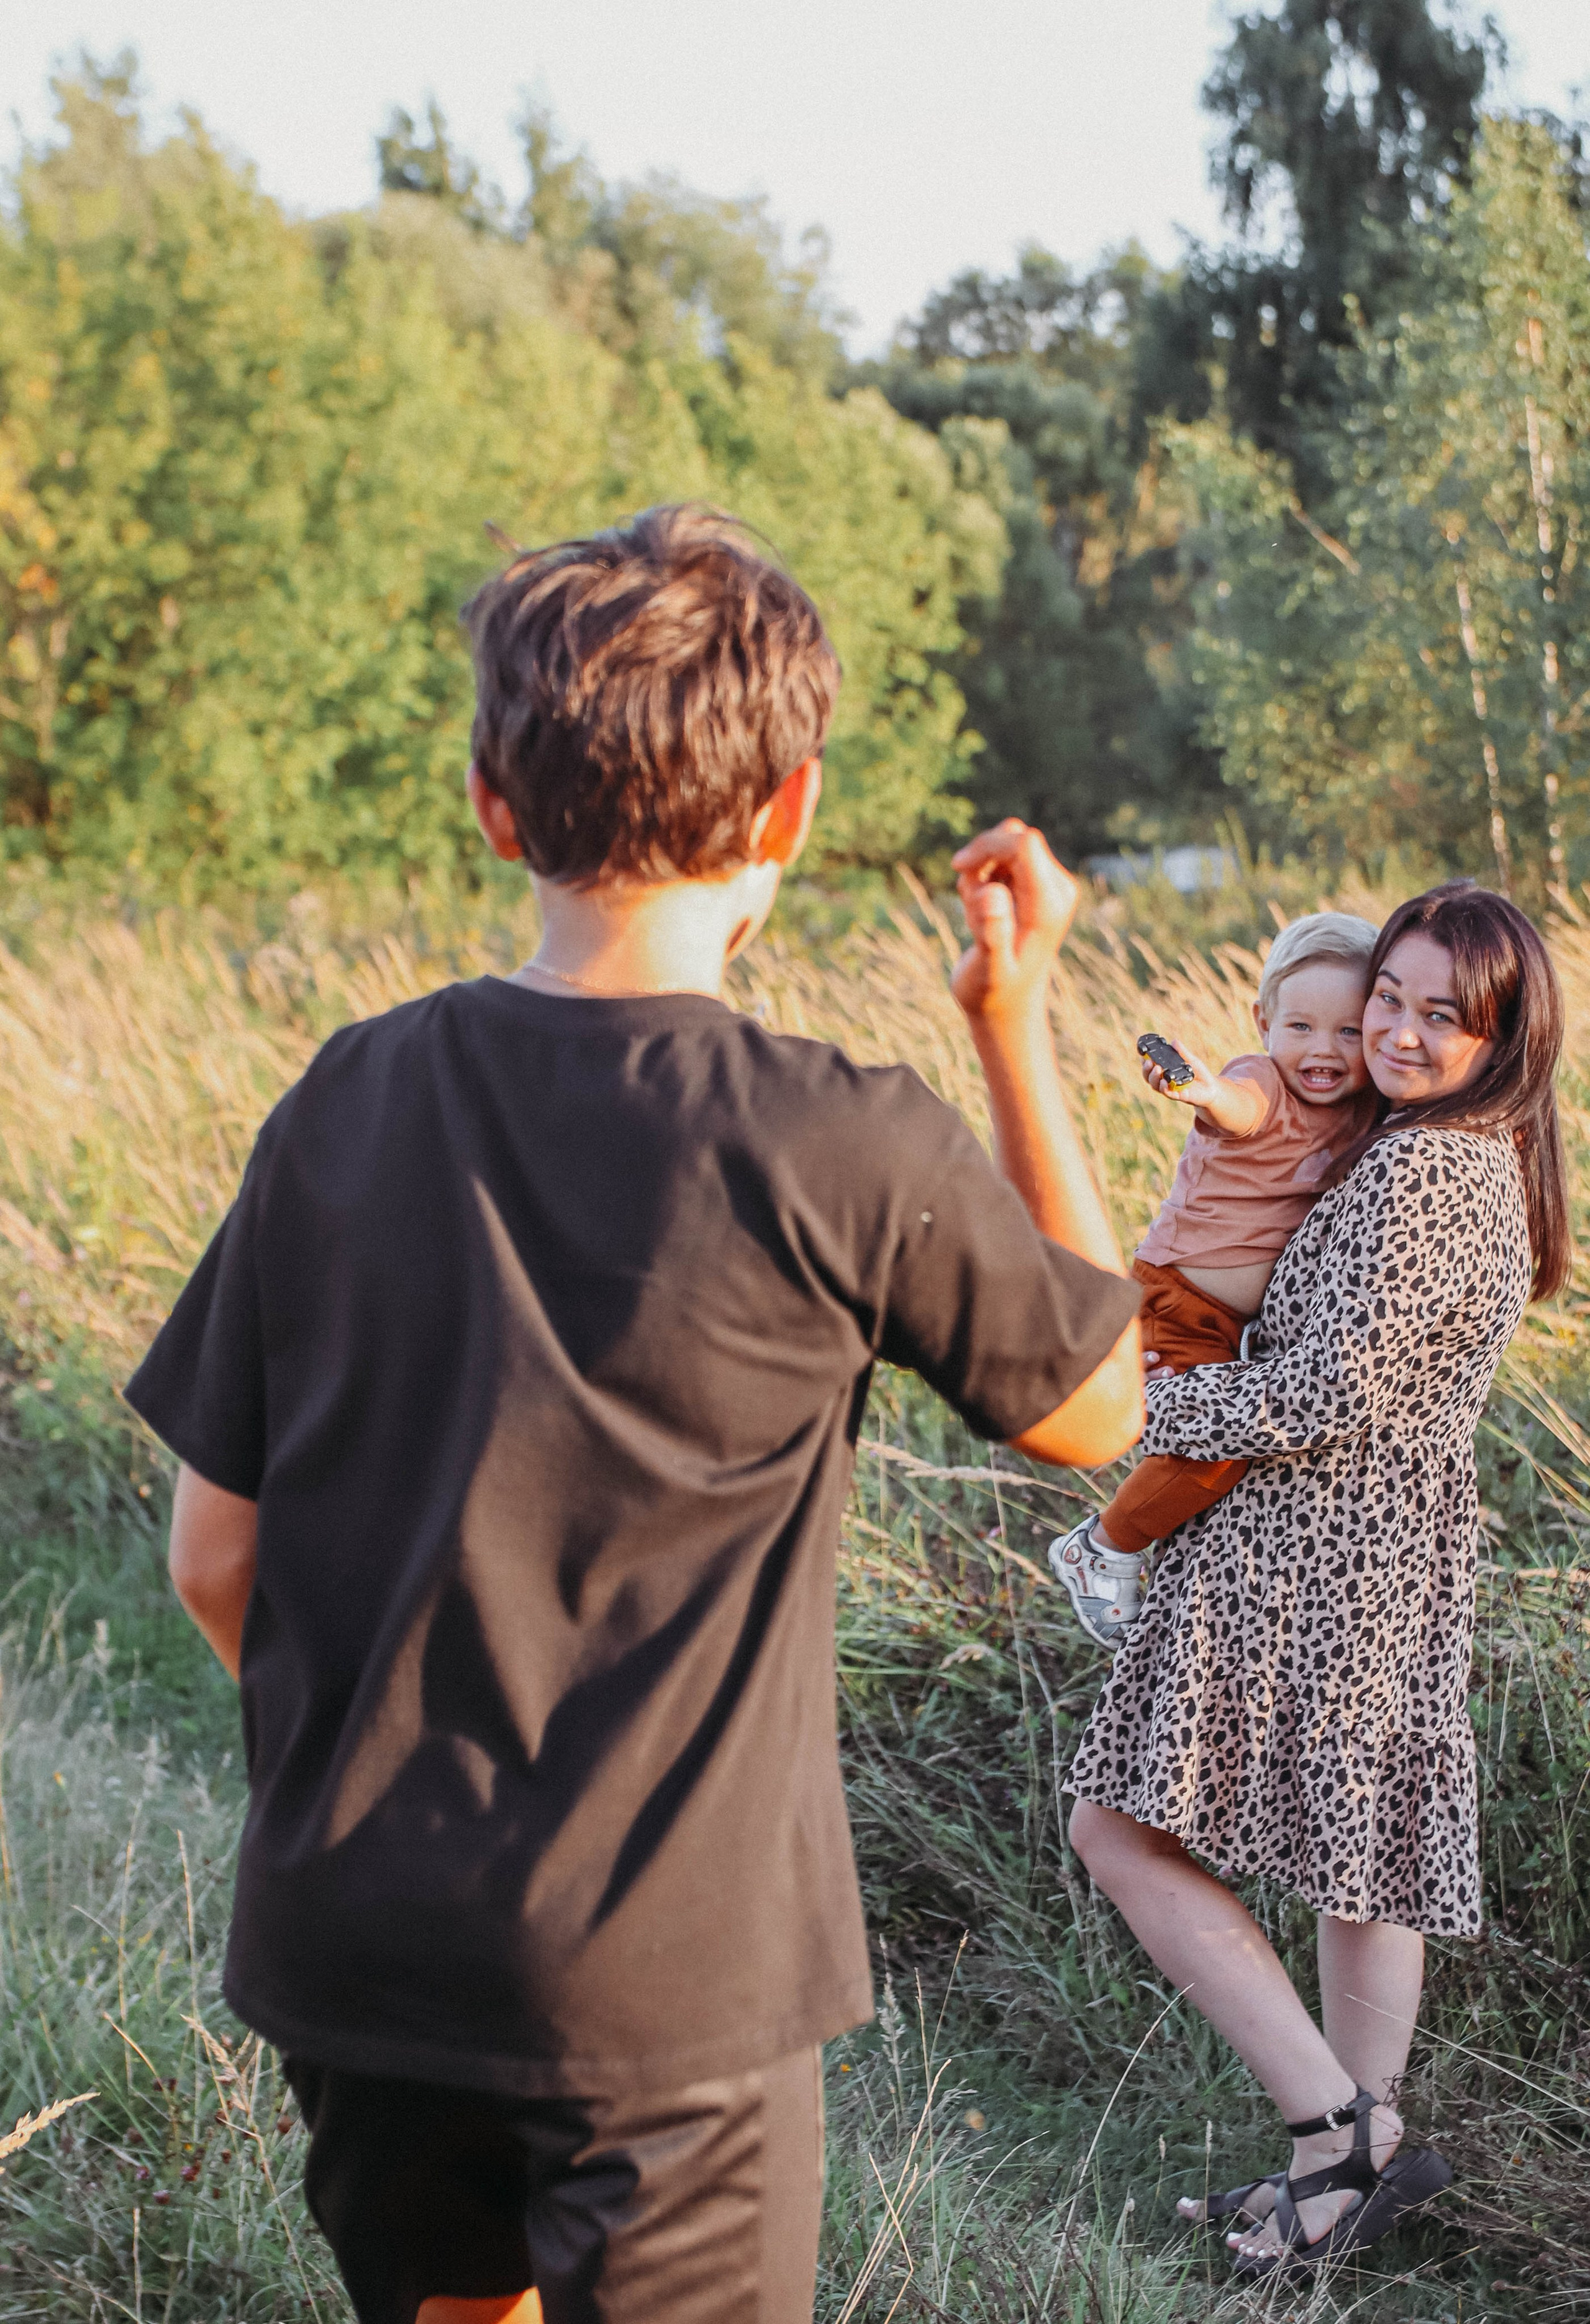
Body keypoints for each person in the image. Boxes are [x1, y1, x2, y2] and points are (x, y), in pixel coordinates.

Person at [123, 507, 1143, 2324]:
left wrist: (364, 1779)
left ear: (491, 805)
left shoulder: (344, 1094)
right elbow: (1096, 1408)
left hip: (356, 1924)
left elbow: (214, 1553)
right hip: (664, 1977)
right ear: (790, 811)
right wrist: (1013, 1019)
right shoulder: (838, 1134)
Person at [1054, 883, 1567, 2282]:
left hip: (1314, 1551)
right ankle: (1351, 2168)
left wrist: (1142, 1406)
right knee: (1366, 1853)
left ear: (1503, 1032)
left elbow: (1326, 1387)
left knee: (1115, 1828)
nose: (1395, 1031)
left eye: (1437, 1012)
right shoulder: (1463, 1150)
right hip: (1375, 1548)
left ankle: (1332, 2132)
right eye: (1386, 997)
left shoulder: (1423, 1169)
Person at [1050, 911, 1382, 1648]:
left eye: (1348, 1032)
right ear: (1263, 1022)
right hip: (1177, 1300)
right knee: (1215, 1451)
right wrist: (1202, 1090)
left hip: (1230, 1328)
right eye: (1300, 1027)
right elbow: (1240, 1111)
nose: (1322, 1050)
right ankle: (1102, 1547)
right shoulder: (1260, 1081)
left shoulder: (1361, 1110)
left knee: (1216, 1448)